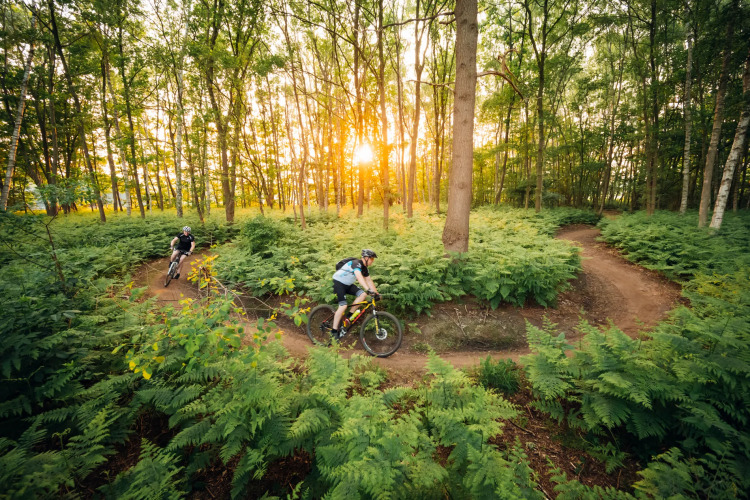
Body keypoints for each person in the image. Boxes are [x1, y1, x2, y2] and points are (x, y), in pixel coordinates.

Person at [330, 249, 380, 339]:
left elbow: (369, 280)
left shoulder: (364, 268)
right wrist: (368, 289)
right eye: (372, 259)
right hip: (338, 283)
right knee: (343, 306)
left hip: (347, 284)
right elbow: (359, 277)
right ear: (366, 258)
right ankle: (333, 331)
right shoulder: (356, 263)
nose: (373, 261)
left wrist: (376, 293)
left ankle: (349, 317)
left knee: (363, 295)